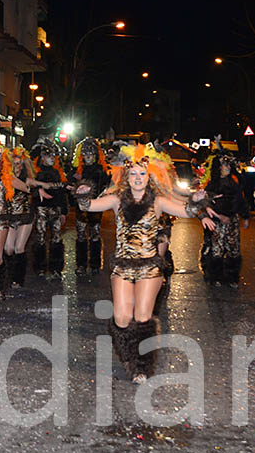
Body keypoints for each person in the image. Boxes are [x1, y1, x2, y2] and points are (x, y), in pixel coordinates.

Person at [75, 143, 215, 383]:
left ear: (149, 176)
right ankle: (130, 354)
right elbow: (86, 206)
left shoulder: (158, 201)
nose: (138, 178)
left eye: (142, 174)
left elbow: (186, 211)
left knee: (142, 317)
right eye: (134, 174)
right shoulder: (116, 199)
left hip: (149, 267)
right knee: (121, 318)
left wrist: (198, 202)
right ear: (126, 176)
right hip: (122, 266)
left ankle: (141, 366)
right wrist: (83, 193)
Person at [0, 138, 48, 302]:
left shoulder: (8, 178)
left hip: (0, 220)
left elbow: (27, 187)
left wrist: (37, 191)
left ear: (1, 161)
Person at [200, 149, 250, 288]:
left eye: (228, 165)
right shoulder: (213, 184)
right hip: (217, 221)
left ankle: (232, 277)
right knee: (217, 249)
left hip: (232, 220)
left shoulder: (234, 182)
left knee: (233, 249)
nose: (227, 167)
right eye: (224, 165)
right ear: (218, 167)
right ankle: (215, 277)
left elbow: (241, 200)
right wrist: (219, 216)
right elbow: (205, 203)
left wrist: (245, 217)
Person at [71, 137, 110, 276]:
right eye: (86, 154)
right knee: (81, 235)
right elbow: (69, 187)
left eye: (91, 154)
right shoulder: (77, 170)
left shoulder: (101, 170)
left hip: (96, 207)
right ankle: (81, 265)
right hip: (81, 208)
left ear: (96, 155)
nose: (88, 157)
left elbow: (108, 185)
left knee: (95, 234)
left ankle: (94, 264)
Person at [31, 138, 69, 279]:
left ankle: (56, 268)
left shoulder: (58, 172)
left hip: (56, 209)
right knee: (40, 238)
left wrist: (64, 211)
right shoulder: (35, 172)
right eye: (48, 156)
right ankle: (40, 267)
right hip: (41, 209)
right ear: (42, 157)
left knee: (56, 238)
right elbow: (31, 189)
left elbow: (62, 192)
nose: (52, 158)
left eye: (53, 156)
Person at [4, 147, 36, 288]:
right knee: (8, 248)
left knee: (19, 248)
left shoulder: (27, 180)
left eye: (19, 164)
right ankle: (8, 275)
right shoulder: (5, 180)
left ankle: (18, 278)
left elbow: (37, 187)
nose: (16, 166)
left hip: (25, 217)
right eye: (13, 163)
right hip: (10, 217)